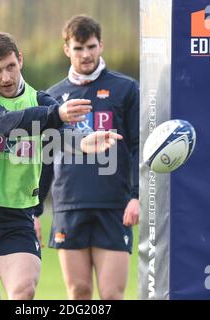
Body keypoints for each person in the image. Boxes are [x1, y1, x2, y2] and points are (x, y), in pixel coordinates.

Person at [0, 31, 121, 300]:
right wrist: (57, 114)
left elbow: (60, 134)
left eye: (10, 67)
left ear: (21, 60)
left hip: (16, 215)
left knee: (23, 291)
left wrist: (84, 142)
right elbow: (4, 122)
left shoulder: (40, 102)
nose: (5, 77)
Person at [35, 15, 139, 300]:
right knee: (79, 292)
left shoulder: (125, 89)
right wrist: (35, 211)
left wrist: (136, 195)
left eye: (91, 47)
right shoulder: (52, 98)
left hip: (114, 206)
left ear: (101, 45)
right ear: (66, 49)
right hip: (69, 205)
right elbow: (46, 156)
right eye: (78, 48)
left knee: (111, 294)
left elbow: (138, 146)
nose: (86, 54)